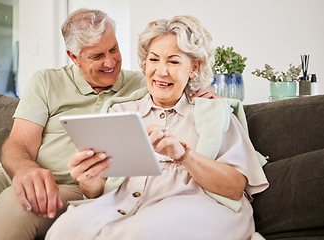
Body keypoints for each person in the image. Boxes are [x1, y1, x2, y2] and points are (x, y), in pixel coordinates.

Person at [0, 8, 217, 240]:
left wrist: (204, 91)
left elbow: (174, 80)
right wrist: (26, 169)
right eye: (97, 56)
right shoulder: (46, 81)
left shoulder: (141, 84)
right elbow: (17, 144)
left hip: (71, 188)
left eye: (114, 49)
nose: (110, 62)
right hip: (9, 177)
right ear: (74, 57)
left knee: (18, 203)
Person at [45, 15, 269, 240]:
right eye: (153, 60)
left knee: (139, 233)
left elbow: (234, 187)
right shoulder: (122, 113)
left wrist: (183, 154)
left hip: (195, 208)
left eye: (173, 62)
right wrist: (88, 179)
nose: (161, 72)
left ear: (194, 67)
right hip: (127, 205)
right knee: (64, 228)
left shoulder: (213, 112)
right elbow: (98, 189)